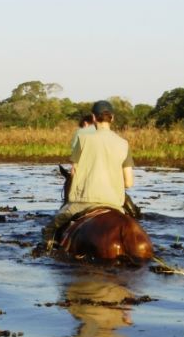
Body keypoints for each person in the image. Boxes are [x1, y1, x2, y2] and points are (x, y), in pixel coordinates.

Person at [45, 100, 135, 239]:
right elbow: (128, 183)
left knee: (50, 229)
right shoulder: (124, 144)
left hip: (83, 202)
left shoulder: (83, 139)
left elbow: (74, 172)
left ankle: (48, 246)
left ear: (93, 118)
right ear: (112, 118)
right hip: (115, 205)